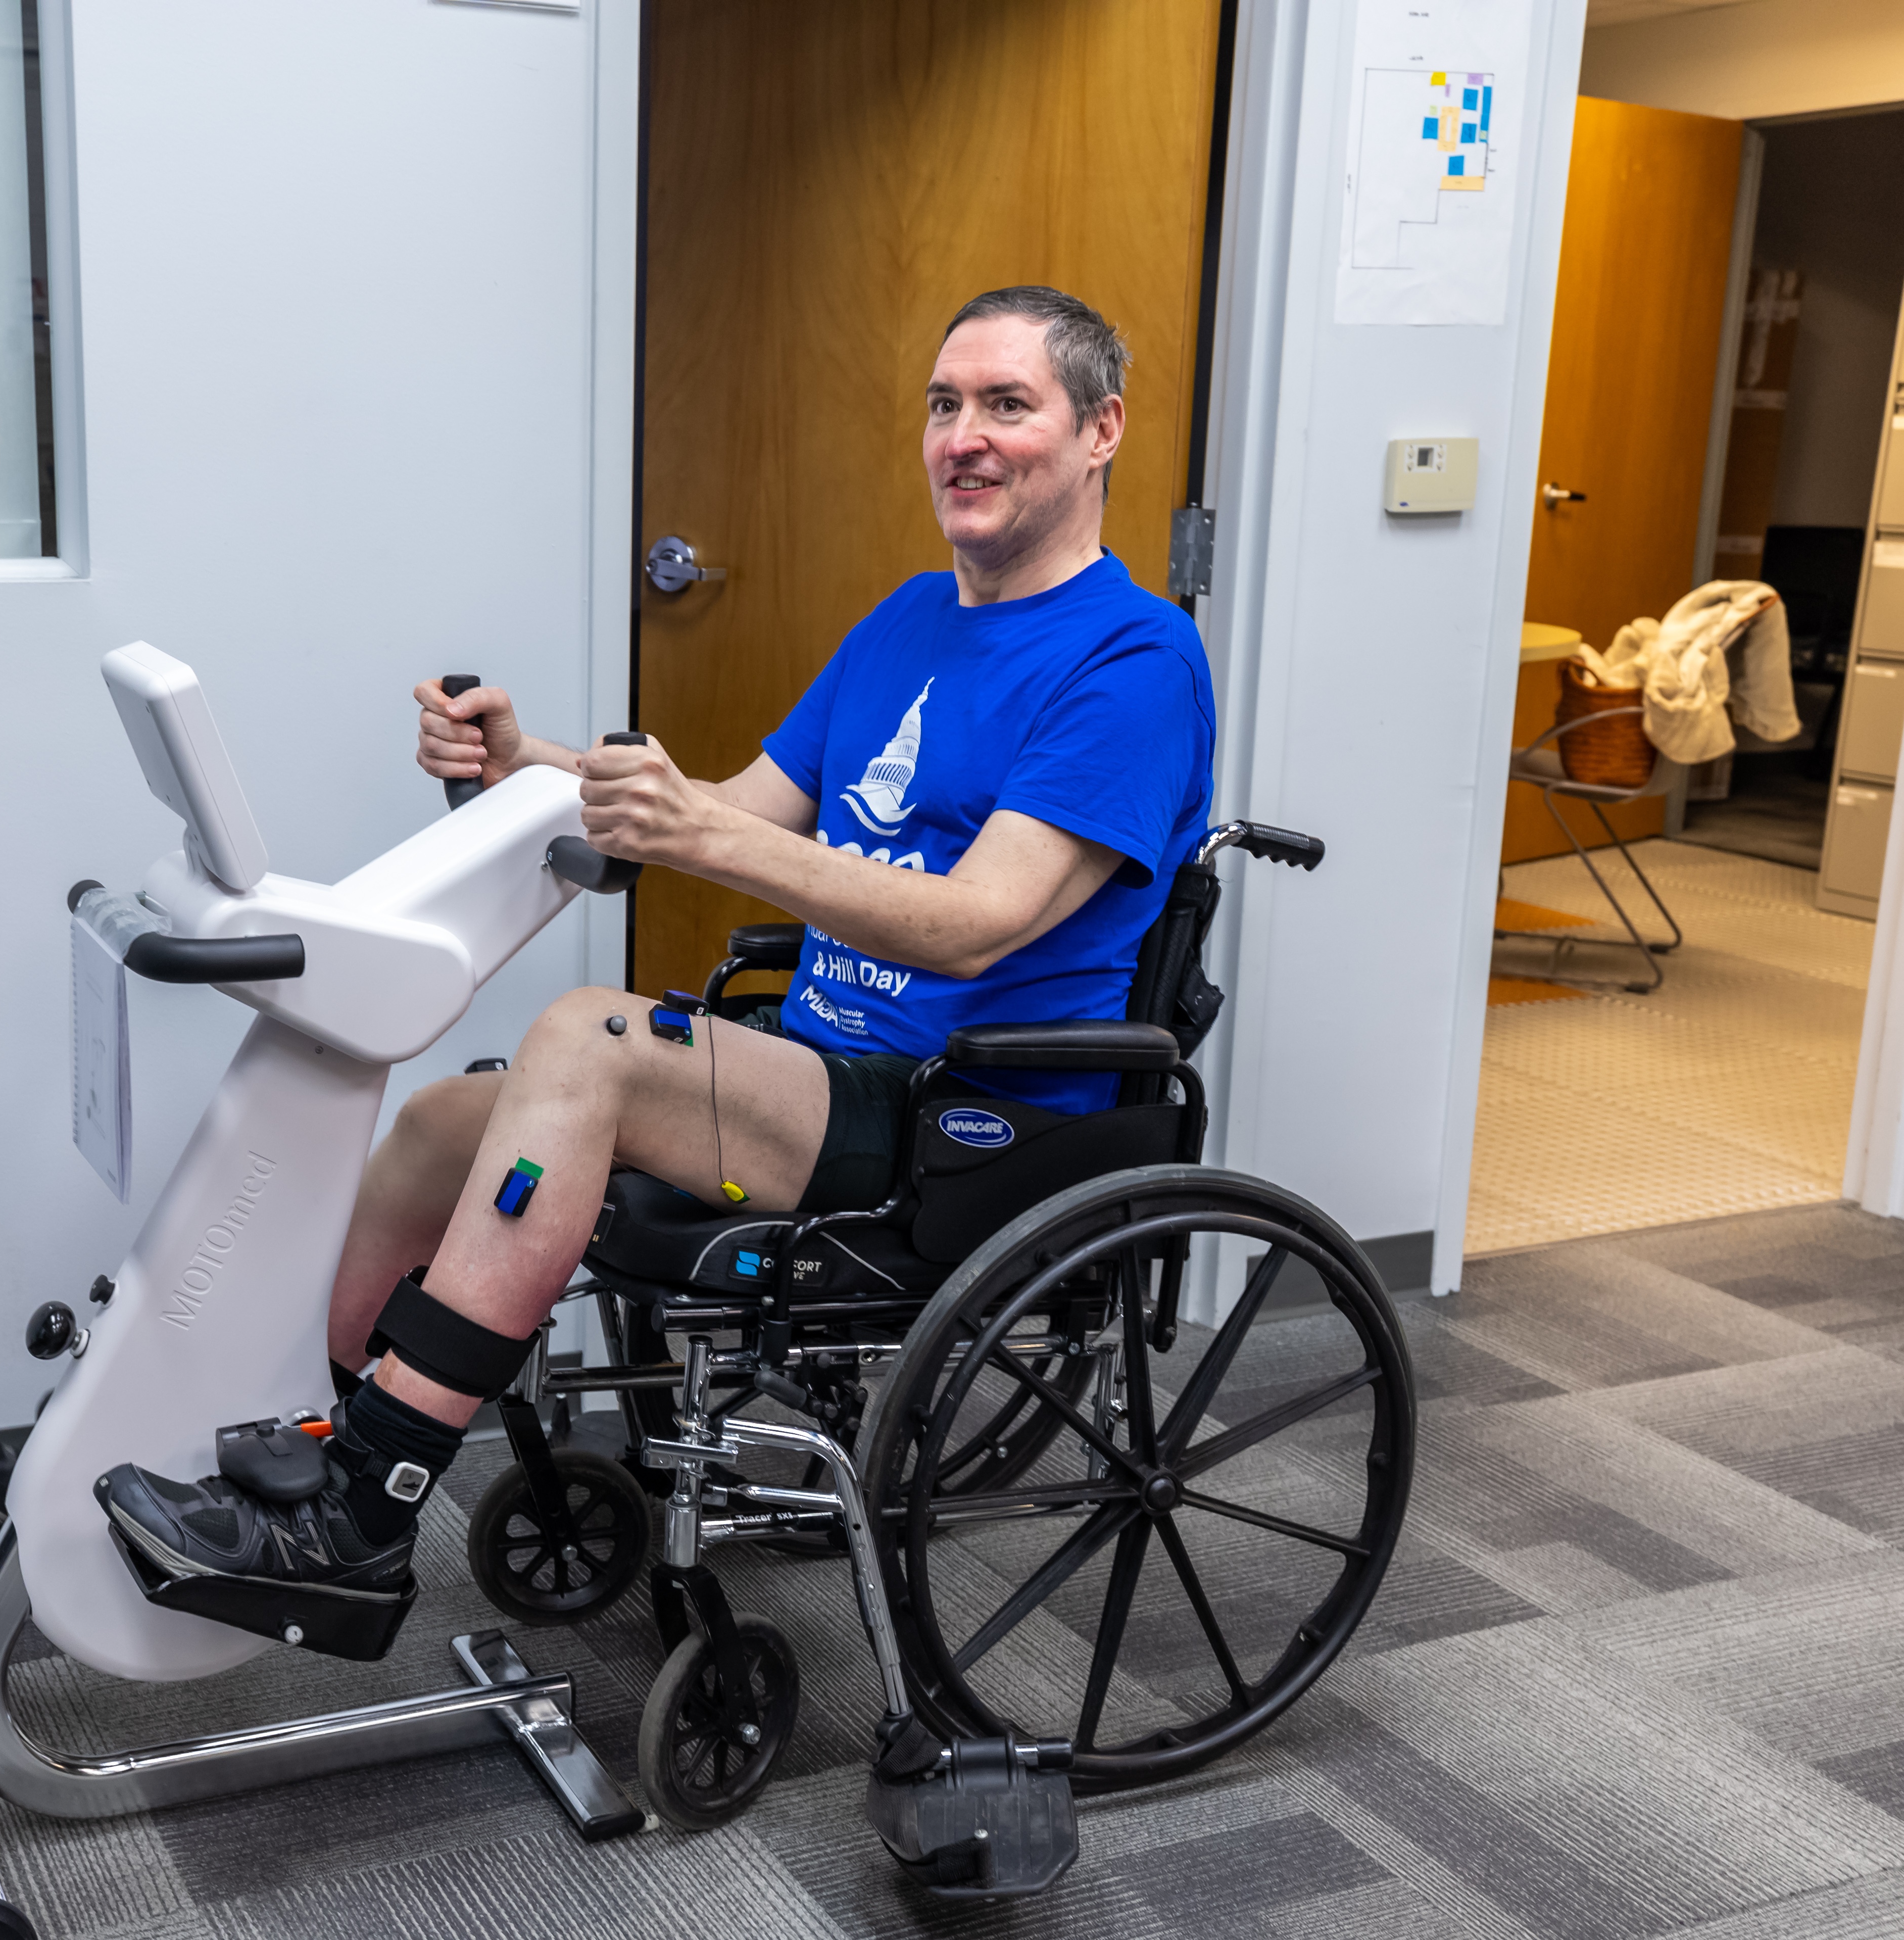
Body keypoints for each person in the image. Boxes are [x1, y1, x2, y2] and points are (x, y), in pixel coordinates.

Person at [98, 285, 1216, 1614]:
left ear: (1101, 434)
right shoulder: (911, 621)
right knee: (453, 1118)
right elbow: (736, 813)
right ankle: (304, 1439)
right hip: (829, 1075)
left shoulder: (1136, 661)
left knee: (584, 1037)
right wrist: (529, 767)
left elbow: (978, 924)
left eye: (1007, 405)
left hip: (975, 1111)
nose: (964, 437)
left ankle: (363, 1515)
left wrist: (696, 832)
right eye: (943, 405)